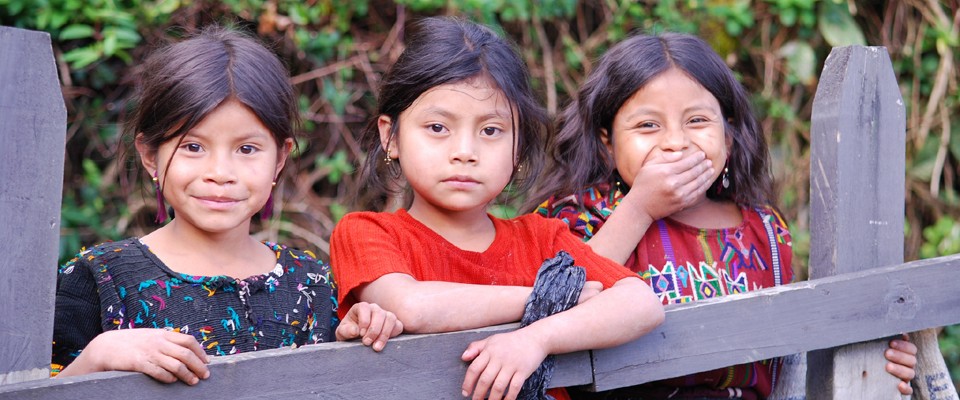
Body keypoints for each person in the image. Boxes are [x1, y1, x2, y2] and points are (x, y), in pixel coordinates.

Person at [532, 32, 917, 399]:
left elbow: (795, 349)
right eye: (648, 125)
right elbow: (554, 304)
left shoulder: (764, 230)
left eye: (697, 121)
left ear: (729, 137)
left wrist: (874, 358)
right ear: (607, 146)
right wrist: (640, 209)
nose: (676, 143)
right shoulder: (579, 216)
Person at [329, 17, 665, 400]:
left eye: (490, 130)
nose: (465, 153)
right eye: (438, 127)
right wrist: (552, 297)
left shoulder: (541, 238)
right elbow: (412, 306)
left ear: (519, 148)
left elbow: (642, 304)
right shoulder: (368, 233)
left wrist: (538, 337)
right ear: (391, 136)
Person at [52, 27, 402, 385]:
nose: (220, 173)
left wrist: (359, 336)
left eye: (247, 149)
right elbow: (39, 390)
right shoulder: (98, 278)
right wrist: (99, 356)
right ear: (150, 156)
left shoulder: (310, 282)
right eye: (193, 147)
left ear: (279, 160)